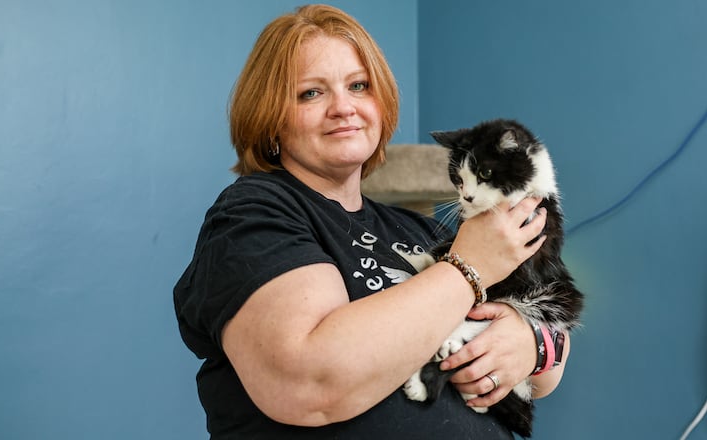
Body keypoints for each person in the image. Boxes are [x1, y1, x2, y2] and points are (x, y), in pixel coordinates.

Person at [174, 4, 570, 439]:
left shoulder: (418, 230)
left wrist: (533, 344)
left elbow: (548, 364)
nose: (343, 107)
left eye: (359, 86)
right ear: (270, 120)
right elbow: (311, 383)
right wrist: (468, 268)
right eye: (311, 93)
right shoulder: (254, 215)